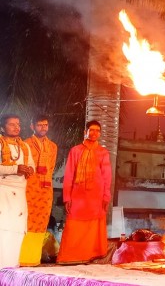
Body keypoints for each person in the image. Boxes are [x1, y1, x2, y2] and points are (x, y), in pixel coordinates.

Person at [56, 120, 112, 265]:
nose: (94, 133)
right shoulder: (75, 150)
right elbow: (69, 175)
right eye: (91, 130)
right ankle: (70, 256)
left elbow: (107, 176)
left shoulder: (103, 152)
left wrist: (106, 196)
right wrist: (67, 197)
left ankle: (91, 255)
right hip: (78, 196)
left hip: (96, 196)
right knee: (74, 225)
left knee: (94, 226)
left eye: (97, 131)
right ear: (85, 132)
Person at [19, 114, 58, 266]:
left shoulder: (53, 146)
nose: (43, 128)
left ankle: (33, 258)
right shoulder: (25, 144)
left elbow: (51, 168)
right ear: (32, 127)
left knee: (41, 223)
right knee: (27, 221)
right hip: (29, 188)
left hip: (46, 190)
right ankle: (22, 258)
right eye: (40, 125)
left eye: (45, 125)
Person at [0, 114, 35, 268]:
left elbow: (31, 165)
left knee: (17, 230)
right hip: (3, 190)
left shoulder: (24, 146)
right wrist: (15, 169)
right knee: (3, 230)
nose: (16, 127)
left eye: (18, 124)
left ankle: (12, 268)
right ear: (2, 128)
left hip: (20, 192)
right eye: (11, 124)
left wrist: (29, 169)